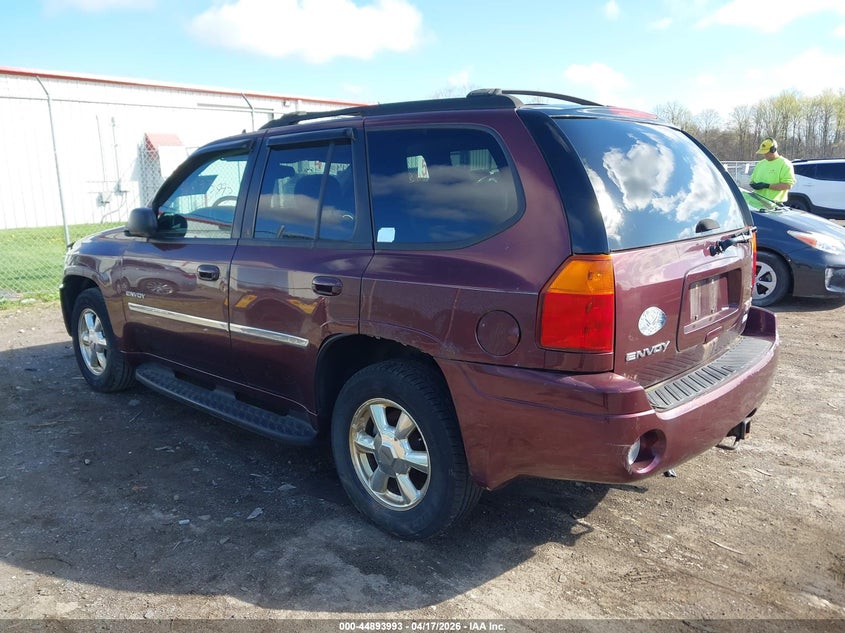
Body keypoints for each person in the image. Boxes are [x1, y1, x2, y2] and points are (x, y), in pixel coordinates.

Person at [749, 138, 795, 203]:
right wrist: (753, 185)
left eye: (766, 152)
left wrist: (767, 186)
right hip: (756, 202)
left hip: (774, 206)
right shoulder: (760, 164)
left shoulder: (785, 164)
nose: (764, 155)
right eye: (763, 152)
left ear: (773, 150)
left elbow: (787, 185)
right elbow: (752, 180)